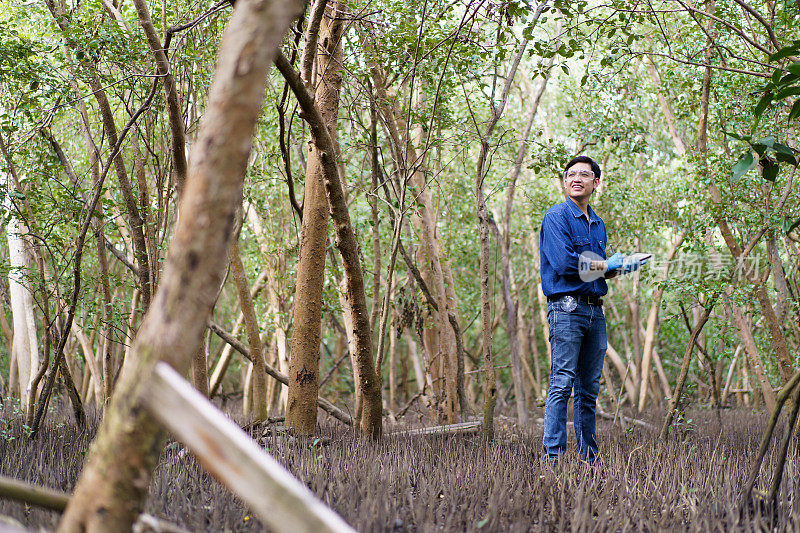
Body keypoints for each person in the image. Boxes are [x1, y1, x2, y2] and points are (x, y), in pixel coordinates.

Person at [539, 155, 645, 463]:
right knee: (562, 382)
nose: (576, 178)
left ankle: (589, 458)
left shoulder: (598, 226)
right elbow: (563, 264)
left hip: (595, 312)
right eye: (570, 174)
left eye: (584, 175)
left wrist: (620, 268)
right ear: (564, 182)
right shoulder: (556, 216)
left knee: (589, 390)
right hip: (566, 309)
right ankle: (553, 458)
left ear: (595, 183)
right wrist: (604, 265)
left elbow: (597, 272)